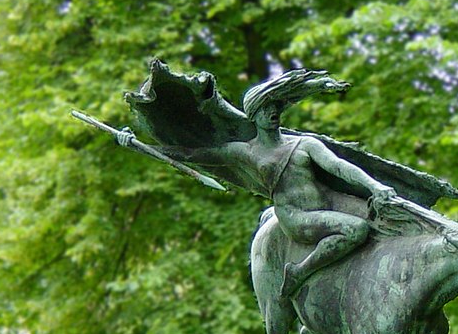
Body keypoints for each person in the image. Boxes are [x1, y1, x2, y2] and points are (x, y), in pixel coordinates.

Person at [119, 69, 399, 296]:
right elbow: (192, 154)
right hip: (296, 216)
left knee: (382, 221)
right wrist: (136, 144)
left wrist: (375, 187)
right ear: (254, 115)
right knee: (357, 229)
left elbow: (340, 167)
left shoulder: (305, 143)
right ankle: (299, 272)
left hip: (328, 204)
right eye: (266, 109)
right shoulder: (245, 151)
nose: (273, 112)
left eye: (275, 107)